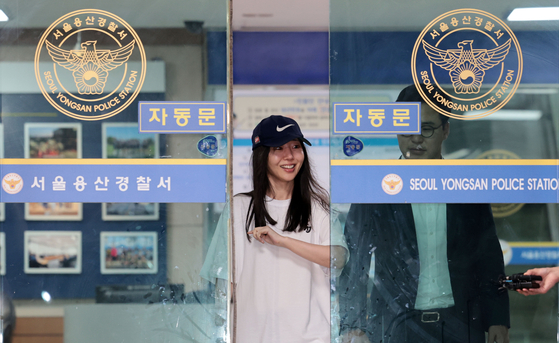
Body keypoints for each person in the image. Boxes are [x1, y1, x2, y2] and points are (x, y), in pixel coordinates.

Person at [339, 85, 510, 343]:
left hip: (461, 323)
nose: (416, 138)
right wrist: (353, 324)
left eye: (427, 128)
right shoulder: (375, 187)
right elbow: (355, 260)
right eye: (408, 127)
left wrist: (497, 318)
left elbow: (488, 258)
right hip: (395, 324)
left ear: (446, 130)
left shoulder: (466, 187)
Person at [201, 115, 348, 342]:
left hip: (312, 337)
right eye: (278, 148)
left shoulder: (317, 208)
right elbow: (225, 285)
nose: (289, 156)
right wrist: (222, 331)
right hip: (252, 336)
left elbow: (337, 257)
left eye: (296, 147)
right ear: (262, 155)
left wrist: (284, 241)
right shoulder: (240, 208)